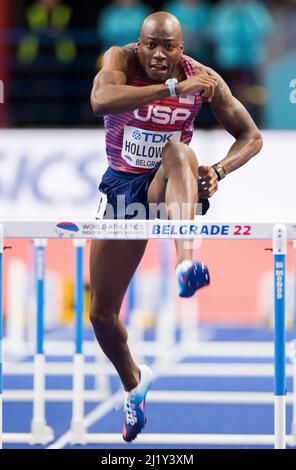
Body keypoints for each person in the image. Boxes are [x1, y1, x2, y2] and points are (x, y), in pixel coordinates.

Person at [90, 11, 262, 442]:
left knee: (179, 150)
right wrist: (170, 89)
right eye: (151, 45)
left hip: (169, 187)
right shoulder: (119, 60)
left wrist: (219, 171)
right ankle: (134, 385)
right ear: (139, 43)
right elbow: (101, 101)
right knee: (102, 316)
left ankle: (186, 262)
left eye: (169, 47)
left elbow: (252, 136)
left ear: (182, 49)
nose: (159, 54)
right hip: (121, 189)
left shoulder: (203, 79)